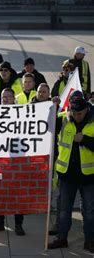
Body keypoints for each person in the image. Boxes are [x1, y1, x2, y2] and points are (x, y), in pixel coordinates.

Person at [48, 95, 94, 253]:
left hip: (89, 176)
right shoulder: (64, 119)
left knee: (89, 211)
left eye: (80, 113)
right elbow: (47, 126)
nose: (77, 116)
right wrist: (53, 108)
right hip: (67, 175)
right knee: (64, 210)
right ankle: (62, 239)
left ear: (87, 109)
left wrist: (85, 140)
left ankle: (89, 241)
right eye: (74, 113)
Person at [0, 88, 26, 236]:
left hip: (16, 160)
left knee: (16, 193)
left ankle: (18, 224)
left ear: (14, 99)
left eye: (8, 97)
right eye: (3, 97)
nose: (5, 99)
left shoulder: (21, 114)